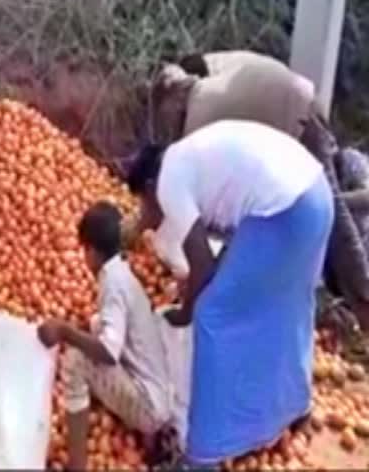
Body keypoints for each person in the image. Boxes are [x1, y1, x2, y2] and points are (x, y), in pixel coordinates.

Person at [125, 120, 334, 467]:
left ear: (150, 185)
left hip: (284, 212)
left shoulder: (168, 183)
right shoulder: (189, 155)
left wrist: (187, 311)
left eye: (147, 200)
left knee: (213, 315)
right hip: (316, 196)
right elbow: (226, 247)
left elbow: (203, 267)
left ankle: (203, 453)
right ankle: (296, 406)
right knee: (288, 302)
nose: (153, 207)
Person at [146, 49, 369, 333]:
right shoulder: (211, 76)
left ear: (174, 104)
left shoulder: (197, 124)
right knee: (321, 213)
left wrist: (192, 297)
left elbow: (203, 204)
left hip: (298, 123)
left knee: (335, 220)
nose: (169, 129)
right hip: (300, 104)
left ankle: (362, 300)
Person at [37, 201, 175, 470]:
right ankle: (148, 436)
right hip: (159, 394)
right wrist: (79, 328)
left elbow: (110, 353)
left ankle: (77, 464)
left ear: (91, 250)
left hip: (149, 407)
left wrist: (66, 332)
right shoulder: (121, 272)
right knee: (95, 325)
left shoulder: (112, 284)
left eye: (84, 250)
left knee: (77, 358)